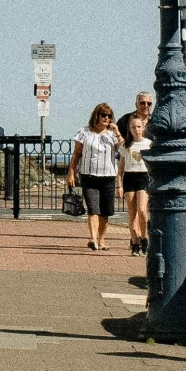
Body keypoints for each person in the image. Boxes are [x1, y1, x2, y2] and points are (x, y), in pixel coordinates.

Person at [66, 103, 124, 252]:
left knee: (105, 212)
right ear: (96, 115)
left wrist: (117, 132)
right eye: (103, 115)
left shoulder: (111, 134)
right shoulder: (84, 132)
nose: (106, 118)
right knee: (93, 209)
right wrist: (71, 173)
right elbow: (77, 154)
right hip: (89, 175)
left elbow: (123, 150)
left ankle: (102, 240)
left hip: (108, 176)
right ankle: (93, 239)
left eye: (109, 115)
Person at [119, 91, 153, 253]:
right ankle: (134, 242)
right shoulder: (126, 141)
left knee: (142, 210)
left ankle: (144, 238)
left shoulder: (149, 140)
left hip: (144, 176)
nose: (146, 106)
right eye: (142, 103)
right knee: (132, 212)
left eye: (149, 103)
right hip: (130, 176)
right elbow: (121, 165)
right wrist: (119, 183)